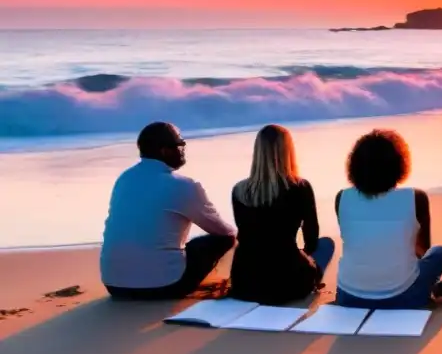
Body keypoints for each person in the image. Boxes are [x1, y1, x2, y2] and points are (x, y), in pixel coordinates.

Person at [101, 122, 237, 299]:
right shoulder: (184, 185)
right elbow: (221, 230)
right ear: (165, 150)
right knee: (222, 239)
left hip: (115, 286)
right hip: (165, 286)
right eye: (180, 144)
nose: (183, 148)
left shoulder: (124, 179)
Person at [334, 129, 442, 309]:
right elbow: (421, 250)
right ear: (399, 164)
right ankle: (427, 289)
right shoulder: (416, 198)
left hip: (348, 297)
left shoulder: (342, 197)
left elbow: (354, 239)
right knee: (441, 252)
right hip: (403, 297)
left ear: (354, 165)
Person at [229, 125, 336, 305]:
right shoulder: (300, 187)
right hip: (287, 285)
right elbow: (311, 239)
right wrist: (300, 254)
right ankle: (311, 279)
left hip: (244, 283)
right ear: (288, 151)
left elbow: (246, 235)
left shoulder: (239, 191)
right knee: (326, 244)